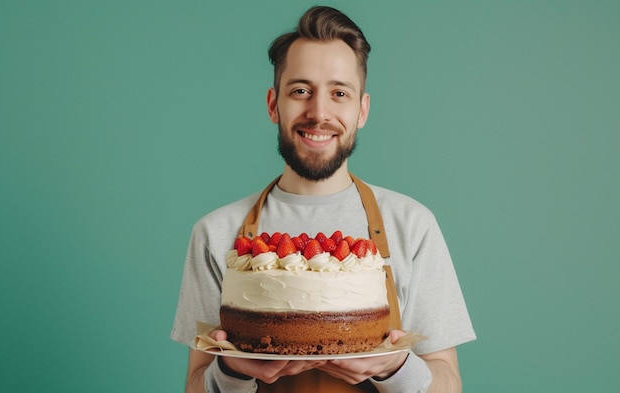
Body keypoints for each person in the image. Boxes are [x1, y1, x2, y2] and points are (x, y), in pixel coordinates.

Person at [171, 6, 475, 393]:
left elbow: (449, 383)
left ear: (361, 109)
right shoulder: (215, 233)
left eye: (339, 93)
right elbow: (196, 383)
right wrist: (231, 369)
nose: (319, 112)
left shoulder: (412, 225)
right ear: (272, 104)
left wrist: (394, 367)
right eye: (300, 91)